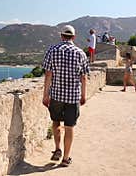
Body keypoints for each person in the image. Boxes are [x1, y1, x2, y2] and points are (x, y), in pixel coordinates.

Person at [42, 25, 90, 167]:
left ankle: (57, 149)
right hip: (73, 97)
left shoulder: (52, 50)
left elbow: (48, 74)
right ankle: (66, 158)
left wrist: (45, 95)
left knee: (56, 122)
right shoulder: (80, 53)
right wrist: (83, 95)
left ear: (61, 36)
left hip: (56, 96)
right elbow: (84, 77)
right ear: (73, 37)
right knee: (69, 127)